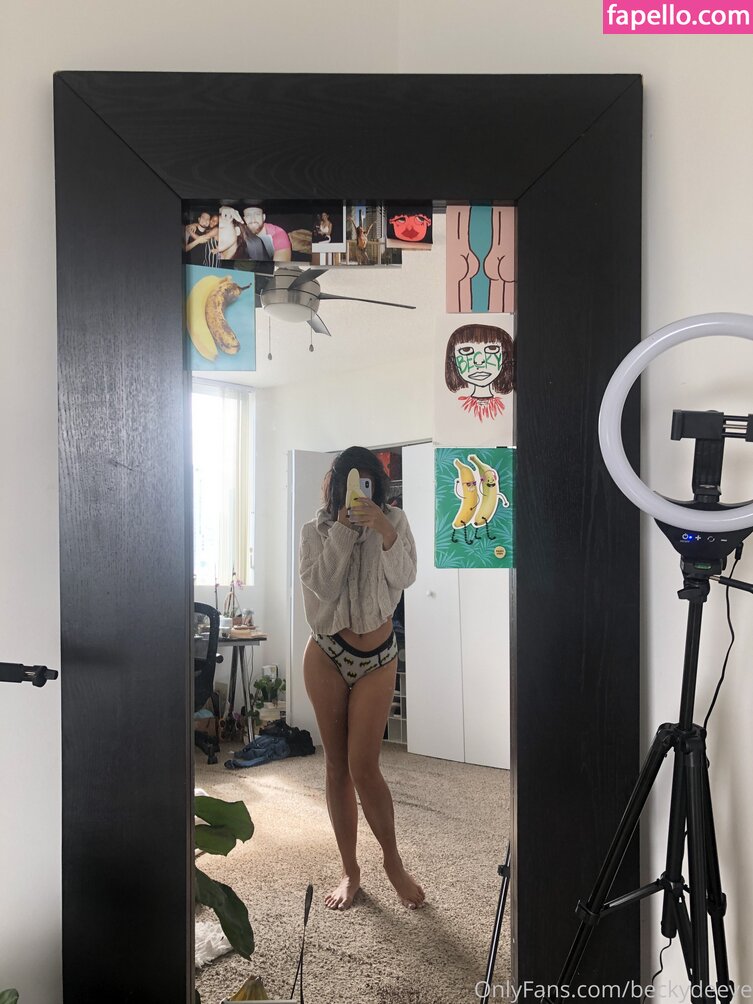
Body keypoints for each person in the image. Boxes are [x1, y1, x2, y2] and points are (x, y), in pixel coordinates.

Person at [299, 446, 424, 911]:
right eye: (350, 481)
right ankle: (350, 871)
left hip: (378, 658)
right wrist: (344, 532)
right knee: (336, 765)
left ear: (378, 485)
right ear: (335, 486)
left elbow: (406, 577)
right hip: (327, 653)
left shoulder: (395, 521)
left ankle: (393, 861)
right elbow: (323, 586)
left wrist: (385, 532)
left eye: (367, 481)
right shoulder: (314, 531)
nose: (359, 490)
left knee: (364, 766)